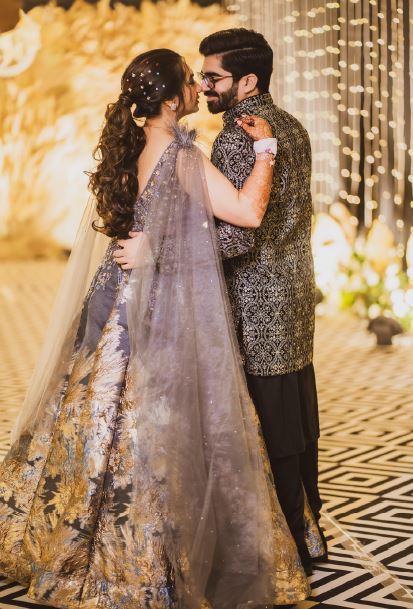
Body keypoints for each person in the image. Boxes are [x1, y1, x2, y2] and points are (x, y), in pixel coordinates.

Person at [0, 49, 310, 609]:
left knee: (100, 412)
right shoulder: (181, 154)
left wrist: (154, 243)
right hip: (162, 304)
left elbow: (143, 224)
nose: (197, 88)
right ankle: (143, 560)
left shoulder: (132, 145)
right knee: (163, 421)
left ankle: (72, 538)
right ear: (170, 99)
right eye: (190, 81)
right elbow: (247, 213)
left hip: (116, 298)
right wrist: (265, 149)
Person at [197, 28, 328, 578]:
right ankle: (310, 528)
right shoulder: (291, 125)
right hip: (294, 289)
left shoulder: (235, 139)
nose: (204, 86)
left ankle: (286, 542)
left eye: (213, 77)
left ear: (247, 81)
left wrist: (176, 248)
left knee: (269, 418)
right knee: (296, 410)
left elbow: (238, 234)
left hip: (255, 296)